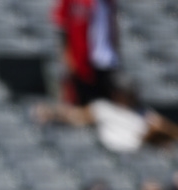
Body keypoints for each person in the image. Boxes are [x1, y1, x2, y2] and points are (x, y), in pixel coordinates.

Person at [31, 73, 178, 154]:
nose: (132, 96)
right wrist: (52, 112)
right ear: (117, 94)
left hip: (142, 150)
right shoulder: (104, 108)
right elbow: (76, 116)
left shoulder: (142, 111)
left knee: (159, 126)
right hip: (116, 151)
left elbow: (163, 128)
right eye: (127, 93)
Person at [51, 0, 120, 106]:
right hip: (80, 63)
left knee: (104, 104)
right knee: (83, 103)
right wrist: (68, 59)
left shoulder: (108, 3)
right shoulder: (72, 2)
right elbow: (62, 29)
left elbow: (112, 28)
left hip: (105, 62)